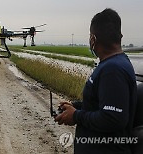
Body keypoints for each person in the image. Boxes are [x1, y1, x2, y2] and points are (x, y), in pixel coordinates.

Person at [55, 8, 137, 154]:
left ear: (93, 39)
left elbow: (113, 118)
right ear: (120, 36)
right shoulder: (115, 63)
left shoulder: (113, 69)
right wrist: (76, 106)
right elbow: (103, 105)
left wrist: (75, 115)